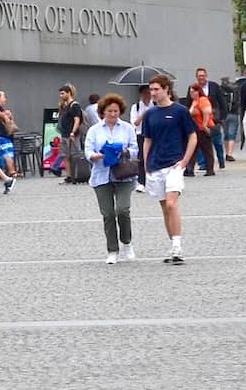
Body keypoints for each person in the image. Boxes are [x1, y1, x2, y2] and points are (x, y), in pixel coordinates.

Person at [139, 75, 198, 265]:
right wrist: (146, 163)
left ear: (166, 89)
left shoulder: (180, 111)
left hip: (174, 164)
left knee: (172, 204)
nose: (153, 93)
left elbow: (192, 136)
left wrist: (185, 161)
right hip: (155, 165)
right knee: (165, 209)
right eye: (151, 89)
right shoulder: (150, 114)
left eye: (156, 89)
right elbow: (147, 140)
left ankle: (178, 245)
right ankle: (173, 245)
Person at [83, 94, 139, 264]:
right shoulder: (94, 130)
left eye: (116, 111)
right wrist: (96, 156)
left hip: (123, 174)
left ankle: (127, 242)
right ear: (103, 112)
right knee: (107, 214)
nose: (113, 114)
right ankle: (112, 250)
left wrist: (125, 152)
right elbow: (87, 150)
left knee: (122, 210)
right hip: (101, 175)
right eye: (109, 111)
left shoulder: (127, 128)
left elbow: (135, 149)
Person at [193, 68, 231, 166]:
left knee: (217, 141)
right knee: (201, 142)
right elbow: (190, 102)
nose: (201, 77)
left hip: (214, 118)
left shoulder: (214, 86)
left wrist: (223, 117)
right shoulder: (194, 88)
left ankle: (221, 161)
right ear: (196, 77)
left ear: (206, 76)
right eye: (199, 75)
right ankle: (203, 164)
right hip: (199, 119)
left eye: (203, 75)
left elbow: (221, 101)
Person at [183, 84, 218, 178]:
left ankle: (210, 169)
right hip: (195, 128)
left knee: (207, 150)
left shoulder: (203, 100)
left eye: (193, 91)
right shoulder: (194, 101)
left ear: (198, 91)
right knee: (193, 150)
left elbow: (206, 112)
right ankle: (189, 169)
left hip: (202, 129)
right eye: (190, 92)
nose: (191, 93)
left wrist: (205, 126)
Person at [58, 85, 87, 185]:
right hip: (64, 134)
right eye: (60, 93)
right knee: (65, 156)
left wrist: (73, 132)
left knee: (76, 155)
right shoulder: (64, 105)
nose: (61, 95)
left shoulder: (74, 105)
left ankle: (79, 175)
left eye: (63, 93)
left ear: (69, 92)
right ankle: (69, 176)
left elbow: (77, 120)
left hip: (73, 134)